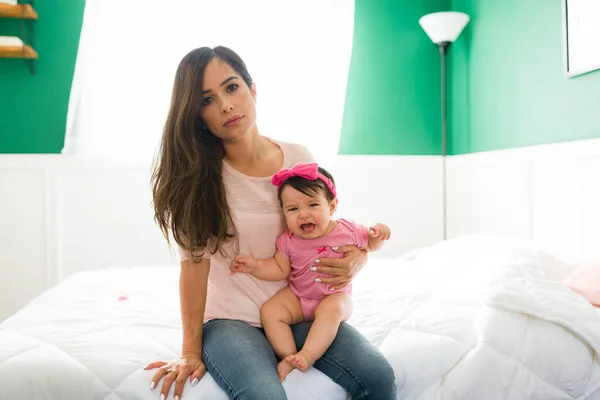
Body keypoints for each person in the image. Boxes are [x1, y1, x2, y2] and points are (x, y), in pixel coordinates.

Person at [146, 45, 397, 400]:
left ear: (253, 89)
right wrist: (190, 350)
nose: (226, 106)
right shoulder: (198, 178)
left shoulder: (297, 157)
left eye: (232, 88)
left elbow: (328, 229)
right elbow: (194, 266)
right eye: (207, 100)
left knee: (377, 375)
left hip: (299, 310)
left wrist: (361, 257)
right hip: (231, 322)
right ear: (197, 115)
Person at [230, 162, 391, 382]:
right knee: (270, 311)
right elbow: (279, 269)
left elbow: (369, 246)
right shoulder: (288, 241)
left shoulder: (347, 230)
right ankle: (288, 356)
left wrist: (378, 235)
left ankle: (308, 354)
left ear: (332, 207)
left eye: (312, 205)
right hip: (299, 296)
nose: (303, 215)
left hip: (335, 295)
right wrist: (255, 266)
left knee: (330, 311)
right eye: (293, 209)